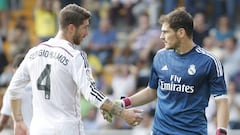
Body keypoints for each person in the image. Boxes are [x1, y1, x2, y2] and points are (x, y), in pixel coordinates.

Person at [7, 4, 143, 135]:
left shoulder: (34, 52)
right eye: (84, 27)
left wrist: (18, 120)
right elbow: (91, 92)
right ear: (71, 28)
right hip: (66, 128)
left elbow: (13, 89)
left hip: (39, 129)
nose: (87, 33)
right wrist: (122, 113)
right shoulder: (75, 56)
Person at [105, 7, 229, 135]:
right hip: (160, 131)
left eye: (165, 32)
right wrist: (123, 103)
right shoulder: (160, 56)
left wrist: (221, 132)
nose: (161, 37)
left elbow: (222, 100)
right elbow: (151, 91)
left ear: (181, 33)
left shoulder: (208, 61)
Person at [0, 54, 32, 131]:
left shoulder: (12, 89)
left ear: (14, 70)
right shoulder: (40, 86)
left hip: (23, 131)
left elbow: (3, 120)